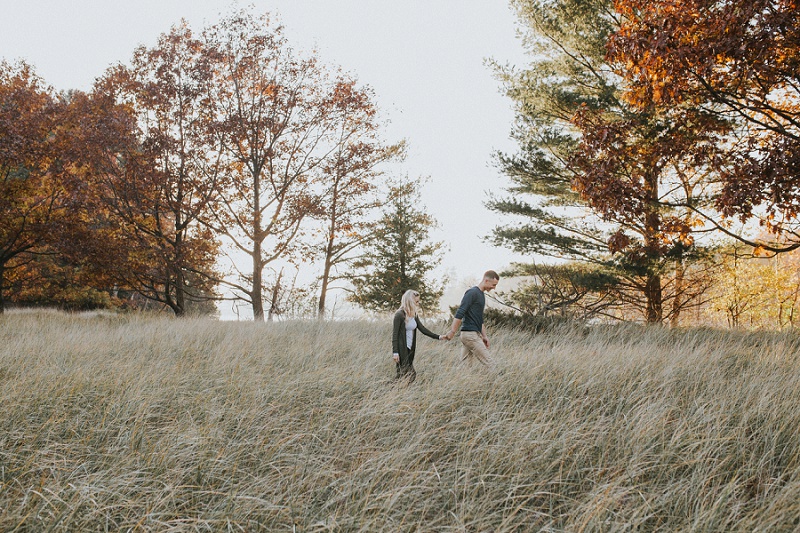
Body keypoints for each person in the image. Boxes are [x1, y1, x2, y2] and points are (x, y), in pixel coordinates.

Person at [444, 270, 500, 368]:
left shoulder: (481, 295)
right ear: (486, 280)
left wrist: (484, 336)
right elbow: (460, 312)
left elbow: (479, 318)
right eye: (493, 285)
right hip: (469, 335)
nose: (494, 288)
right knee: (491, 364)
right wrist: (452, 331)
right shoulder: (472, 293)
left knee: (464, 368)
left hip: (473, 334)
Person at [392, 289, 446, 383]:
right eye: (416, 301)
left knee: (404, 376)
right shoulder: (399, 315)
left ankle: (395, 392)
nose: (418, 304)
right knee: (409, 375)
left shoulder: (413, 314)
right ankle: (392, 391)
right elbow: (395, 335)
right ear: (409, 300)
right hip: (402, 350)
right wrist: (395, 352)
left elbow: (423, 329)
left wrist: (439, 337)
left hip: (410, 349)